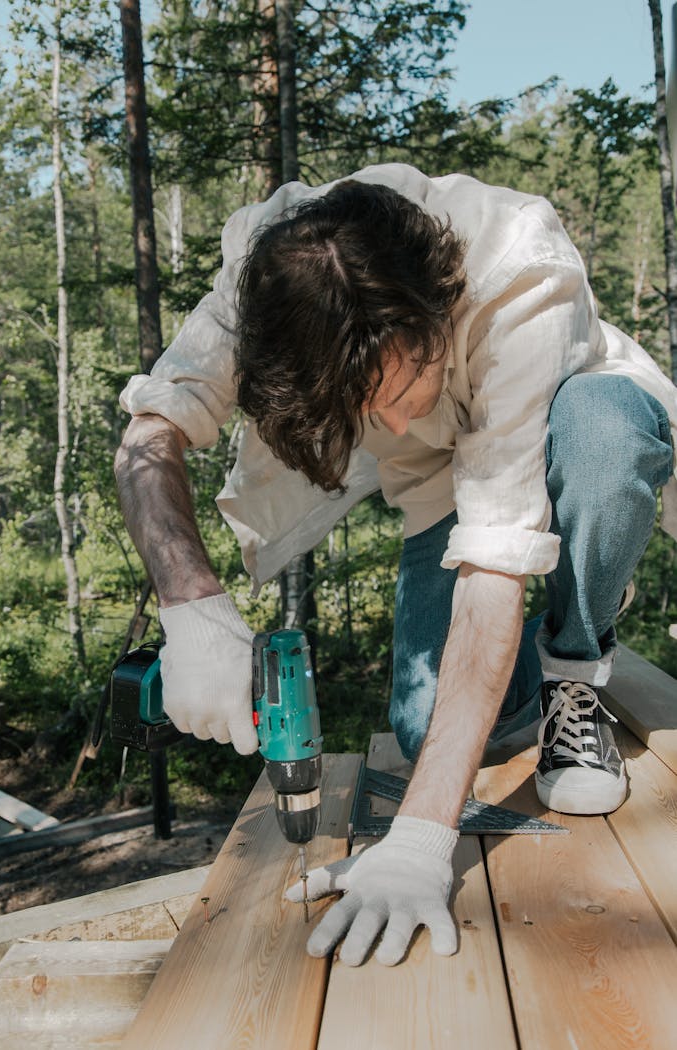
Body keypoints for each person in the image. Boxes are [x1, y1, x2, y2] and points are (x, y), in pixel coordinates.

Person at [115, 163, 677, 968]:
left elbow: (491, 581)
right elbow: (147, 438)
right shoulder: (270, 282)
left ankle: (577, 656)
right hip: (446, 484)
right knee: (426, 731)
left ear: (434, 311)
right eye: (361, 408)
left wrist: (419, 840)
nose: (388, 422)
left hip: (565, 419)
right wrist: (191, 607)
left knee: (603, 439)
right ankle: (545, 648)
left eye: (401, 386)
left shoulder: (519, 266)